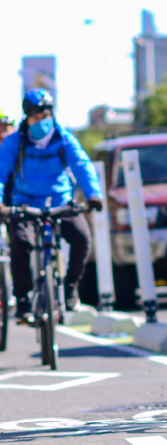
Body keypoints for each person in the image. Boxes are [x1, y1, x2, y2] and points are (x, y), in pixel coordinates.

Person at [0, 89, 102, 318]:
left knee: (82, 237)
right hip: (24, 203)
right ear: (27, 117)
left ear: (51, 114)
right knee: (20, 244)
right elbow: (0, 172)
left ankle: (70, 287)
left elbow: (81, 164)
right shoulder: (14, 142)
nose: (41, 122)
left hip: (60, 201)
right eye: (35, 118)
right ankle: (24, 300)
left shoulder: (64, 137)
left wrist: (93, 194)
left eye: (44, 116)